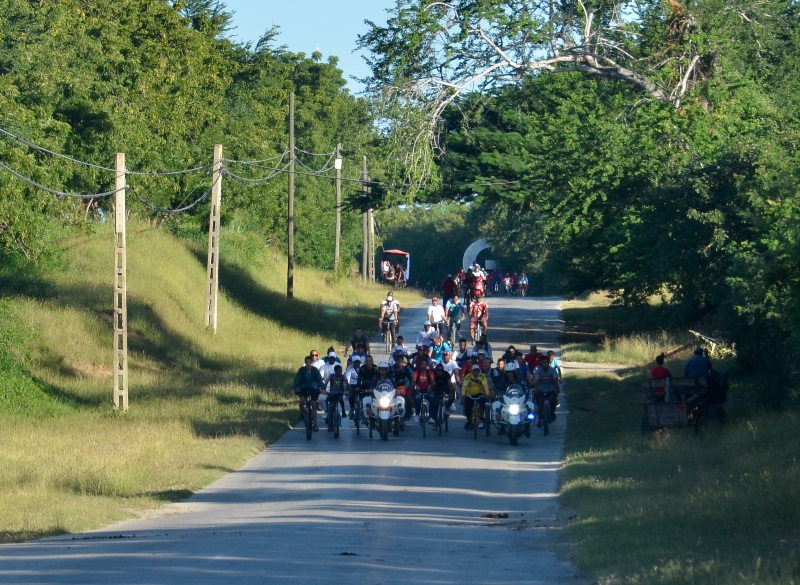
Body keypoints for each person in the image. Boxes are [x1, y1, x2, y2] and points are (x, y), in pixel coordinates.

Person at [292, 355, 324, 432]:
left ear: (311, 363)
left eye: (309, 362)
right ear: (305, 363)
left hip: (313, 388)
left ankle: (315, 424)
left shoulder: (315, 370)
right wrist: (293, 388)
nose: (308, 364)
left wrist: (323, 389)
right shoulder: (301, 370)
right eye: (307, 362)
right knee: (301, 401)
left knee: (313, 404)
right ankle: (302, 414)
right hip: (304, 388)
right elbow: (297, 379)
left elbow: (319, 379)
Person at [462, 364, 492, 430]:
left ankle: (480, 416)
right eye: (474, 370)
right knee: (467, 408)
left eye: (477, 370)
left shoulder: (482, 377)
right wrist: (463, 394)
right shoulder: (467, 377)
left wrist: (487, 394)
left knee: (483, 402)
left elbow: (485, 386)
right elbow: (464, 386)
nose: (476, 372)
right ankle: (469, 421)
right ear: (472, 371)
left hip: (479, 394)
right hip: (470, 395)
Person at [533, 356, 559, 426]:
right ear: (541, 363)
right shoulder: (538, 370)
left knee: (552, 400)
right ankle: (539, 419)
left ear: (548, 363)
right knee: (540, 402)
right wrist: (535, 389)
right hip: (541, 389)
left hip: (551, 388)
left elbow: (555, 380)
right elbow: (537, 381)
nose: (545, 364)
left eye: (546, 363)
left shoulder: (552, 370)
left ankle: (552, 412)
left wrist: (557, 389)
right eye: (543, 363)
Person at [324, 364, 348, 430]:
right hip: (332, 393)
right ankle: (330, 424)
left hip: (340, 392)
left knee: (341, 398)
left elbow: (347, 383)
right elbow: (326, 383)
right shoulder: (331, 376)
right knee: (331, 408)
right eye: (339, 371)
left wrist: (349, 390)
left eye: (341, 371)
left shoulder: (343, 377)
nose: (340, 372)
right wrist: (324, 390)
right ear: (335, 371)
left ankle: (343, 410)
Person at [411, 356, 435, 422]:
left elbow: (432, 380)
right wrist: (413, 385)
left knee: (432, 399)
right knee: (417, 399)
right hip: (419, 390)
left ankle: (431, 417)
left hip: (428, 390)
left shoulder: (430, 373)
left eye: (425, 364)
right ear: (419, 365)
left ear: (427, 365)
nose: (423, 366)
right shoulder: (417, 373)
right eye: (422, 364)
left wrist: (433, 384)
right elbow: (413, 380)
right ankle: (417, 415)